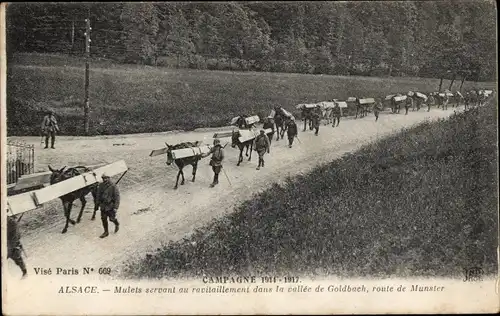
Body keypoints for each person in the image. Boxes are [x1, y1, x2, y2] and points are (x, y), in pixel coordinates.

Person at [96, 172, 120, 238]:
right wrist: (97, 205)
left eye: (106, 178)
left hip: (110, 206)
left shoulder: (113, 186)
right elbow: (98, 196)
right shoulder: (101, 186)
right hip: (103, 206)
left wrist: (115, 207)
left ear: (109, 178)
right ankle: (106, 232)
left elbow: (117, 197)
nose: (105, 179)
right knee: (103, 219)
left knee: (111, 219)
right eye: (103, 178)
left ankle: (117, 223)